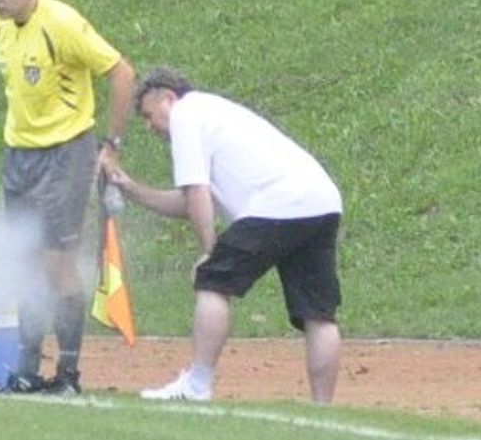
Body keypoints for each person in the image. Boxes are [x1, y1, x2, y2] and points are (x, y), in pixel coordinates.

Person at [109, 67, 344, 404]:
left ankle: (197, 384)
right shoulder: (214, 116)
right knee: (318, 313)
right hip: (321, 202)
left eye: (149, 116)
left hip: (277, 203)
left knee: (212, 281)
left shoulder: (186, 115)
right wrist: (130, 188)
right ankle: (323, 407)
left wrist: (209, 250)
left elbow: (196, 191)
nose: (150, 127)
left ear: (169, 99)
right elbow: (189, 201)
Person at [0, 0, 135, 395]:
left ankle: (68, 372)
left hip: (66, 152)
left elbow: (122, 72)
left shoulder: (64, 24)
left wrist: (111, 146)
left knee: (56, 262)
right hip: (19, 154)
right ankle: (28, 366)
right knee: (26, 261)